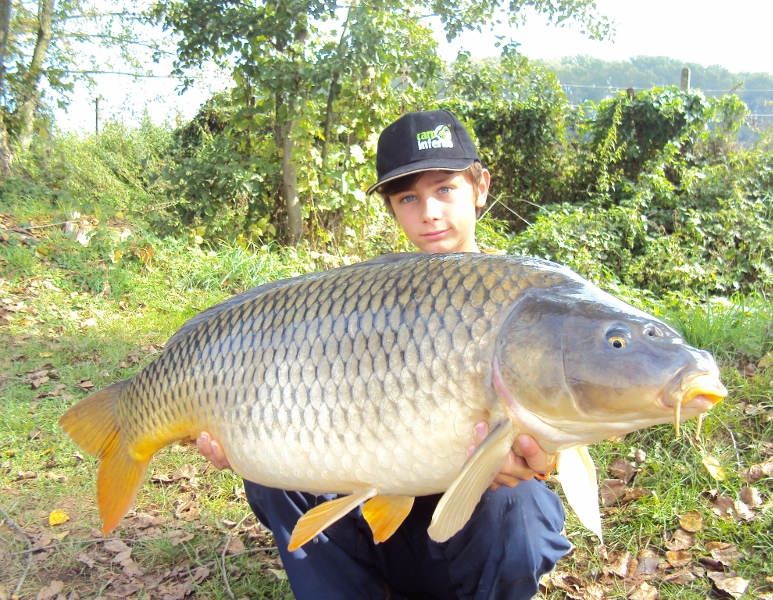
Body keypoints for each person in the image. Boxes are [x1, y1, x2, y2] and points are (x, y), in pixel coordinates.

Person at [197, 110, 572, 599]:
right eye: (408, 197)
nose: (429, 212)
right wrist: (243, 437)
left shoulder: (523, 301)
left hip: (459, 538)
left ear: (480, 186)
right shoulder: (364, 298)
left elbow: (565, 426)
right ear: (392, 208)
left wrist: (538, 459)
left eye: (444, 189)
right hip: (370, 538)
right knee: (272, 475)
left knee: (521, 505)